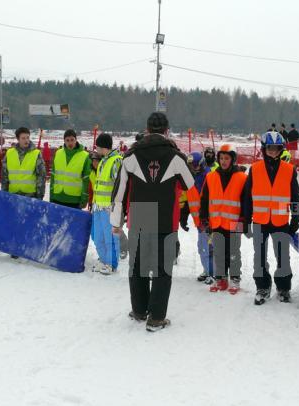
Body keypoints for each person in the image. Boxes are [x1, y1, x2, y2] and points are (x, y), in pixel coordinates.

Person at [110, 112, 199, 332]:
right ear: (167, 131)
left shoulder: (131, 156)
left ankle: (139, 310)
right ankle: (157, 317)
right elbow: (193, 191)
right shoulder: (176, 158)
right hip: (165, 218)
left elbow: (119, 191)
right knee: (162, 270)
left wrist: (116, 221)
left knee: (137, 266)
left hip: (140, 216)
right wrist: (200, 220)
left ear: (147, 130)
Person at [242, 131, 299, 305]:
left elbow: (295, 197)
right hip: (260, 220)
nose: (273, 152)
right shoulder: (255, 169)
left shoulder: (290, 170)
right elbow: (247, 197)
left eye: (276, 148)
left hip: (281, 221)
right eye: (270, 148)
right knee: (259, 256)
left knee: (283, 256)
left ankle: (283, 288)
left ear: (281, 149)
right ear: (264, 149)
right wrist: (246, 220)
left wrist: (295, 218)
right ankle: (262, 287)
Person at [199, 144, 246, 294]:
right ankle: (220, 279)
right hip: (216, 222)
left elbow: (247, 201)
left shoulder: (242, 178)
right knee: (218, 251)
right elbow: (204, 199)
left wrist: (244, 219)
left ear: (233, 159)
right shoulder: (210, 176)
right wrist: (204, 218)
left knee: (234, 251)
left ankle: (235, 279)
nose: (223, 161)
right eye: (221, 158)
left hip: (236, 222)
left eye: (227, 158)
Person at [91, 133, 123, 275]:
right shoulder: (104, 160)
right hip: (98, 206)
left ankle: (111, 263)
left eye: (97, 146)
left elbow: (120, 185)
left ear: (102, 146)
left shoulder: (116, 161)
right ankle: (103, 259)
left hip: (109, 208)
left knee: (110, 237)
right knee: (98, 236)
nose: (96, 149)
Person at [182, 151, 214, 284]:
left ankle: (213, 273)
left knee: (210, 247)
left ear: (201, 164)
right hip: (199, 221)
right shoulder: (191, 178)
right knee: (202, 247)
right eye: (190, 166)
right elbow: (190, 199)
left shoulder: (209, 176)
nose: (192, 169)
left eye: (194, 166)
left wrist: (208, 219)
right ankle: (207, 270)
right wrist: (184, 216)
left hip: (209, 220)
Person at [50, 129, 91, 209]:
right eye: (67, 140)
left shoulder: (85, 156)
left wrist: (84, 197)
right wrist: (51, 194)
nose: (70, 143)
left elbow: (86, 179)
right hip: (57, 197)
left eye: (72, 140)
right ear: (64, 141)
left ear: (76, 140)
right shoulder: (58, 153)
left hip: (74, 199)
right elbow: (53, 176)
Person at [2, 127, 46, 200]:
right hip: (12, 195)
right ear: (18, 139)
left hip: (30, 196)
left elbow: (41, 176)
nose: (26, 140)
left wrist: (39, 196)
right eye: (23, 138)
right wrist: (4, 193)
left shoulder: (36, 153)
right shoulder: (9, 153)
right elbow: (4, 175)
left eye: (27, 137)